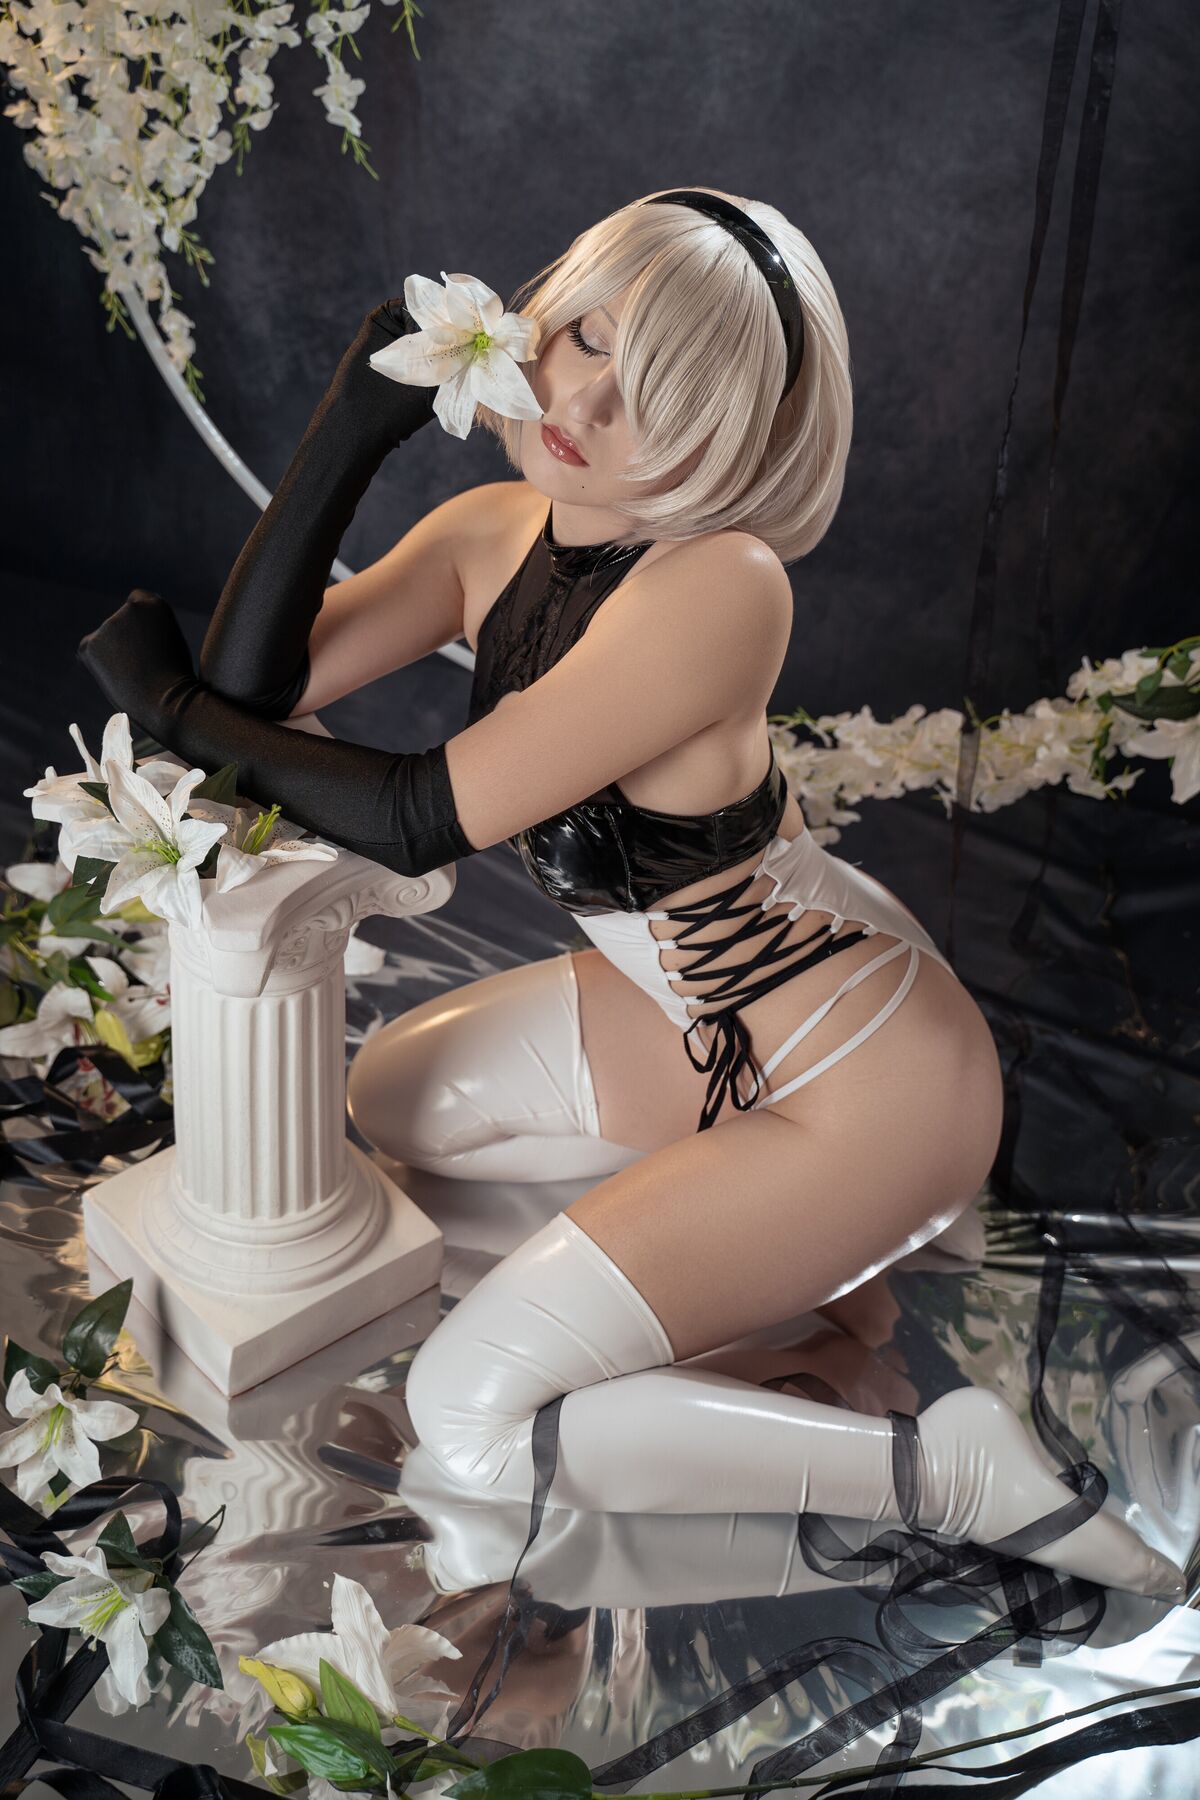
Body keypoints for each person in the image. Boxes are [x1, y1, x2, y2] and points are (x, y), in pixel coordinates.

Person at [76, 187, 1185, 1602]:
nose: (585, 403)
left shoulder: (724, 587)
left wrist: (169, 707)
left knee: (470, 1419)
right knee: (392, 1104)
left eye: (655, 396)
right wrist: (349, 432)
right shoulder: (494, 530)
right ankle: (786, 1274)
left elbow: (415, 816)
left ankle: (946, 1469)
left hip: (867, 1080)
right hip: (688, 1027)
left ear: (731, 444)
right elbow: (262, 694)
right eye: (587, 336)